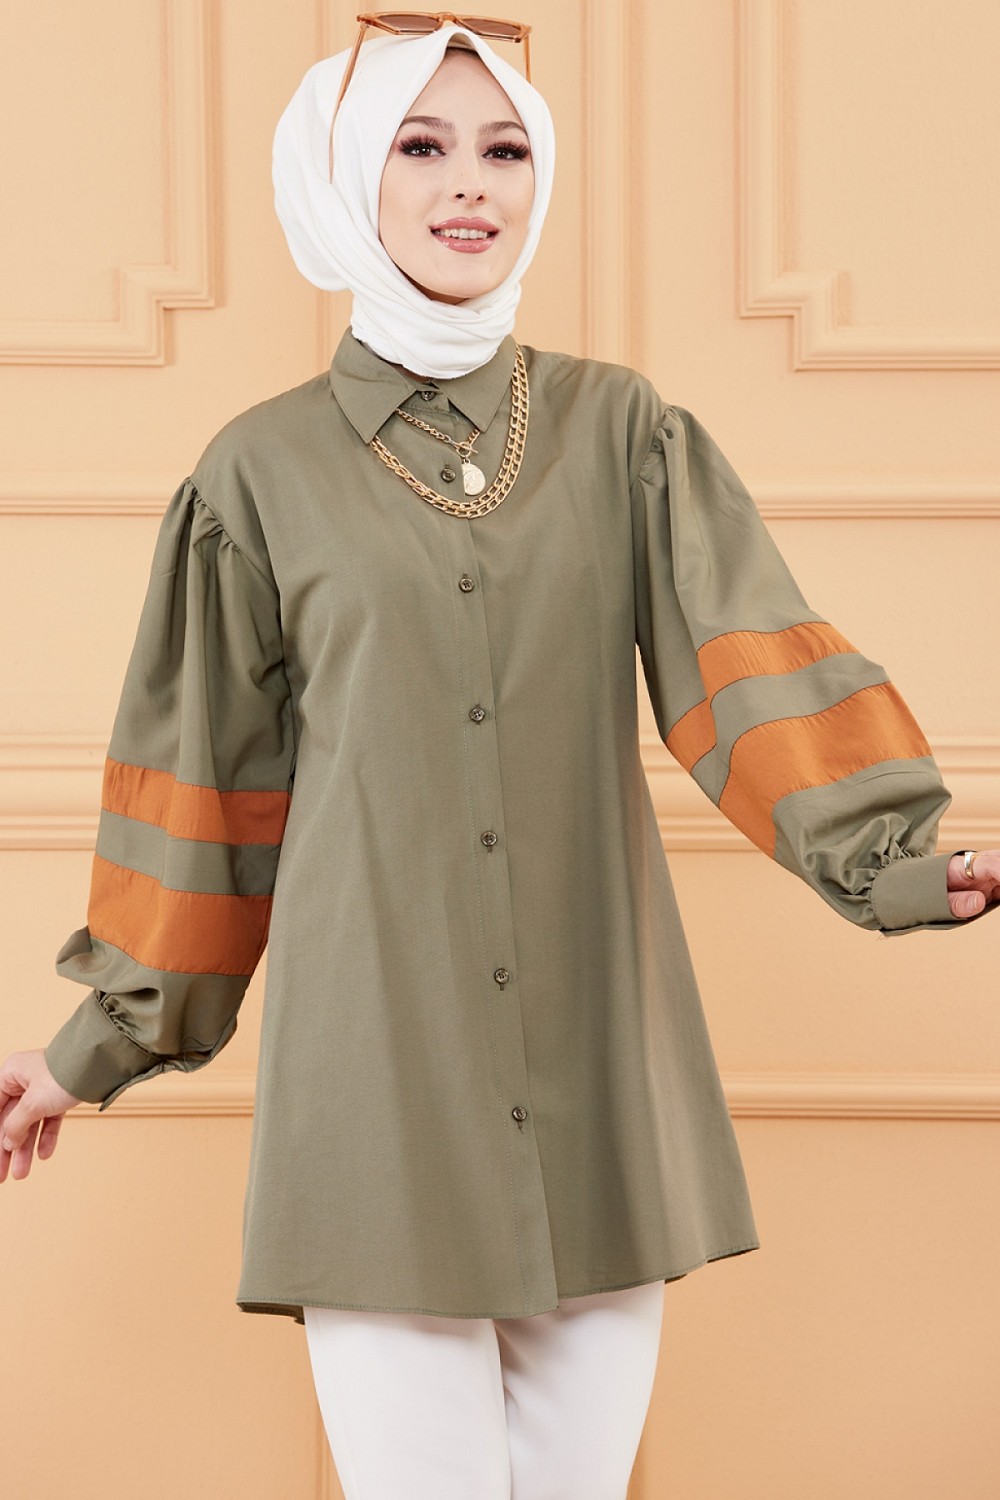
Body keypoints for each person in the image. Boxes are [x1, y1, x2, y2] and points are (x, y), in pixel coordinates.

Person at [2, 15, 997, 1498]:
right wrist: (88, 1053)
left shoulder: (623, 433)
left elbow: (747, 666)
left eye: (506, 148)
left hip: (602, 1081)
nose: (471, 182)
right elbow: (207, 794)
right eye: (421, 144)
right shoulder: (254, 476)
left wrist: (902, 863)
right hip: (376, 1092)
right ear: (349, 176)